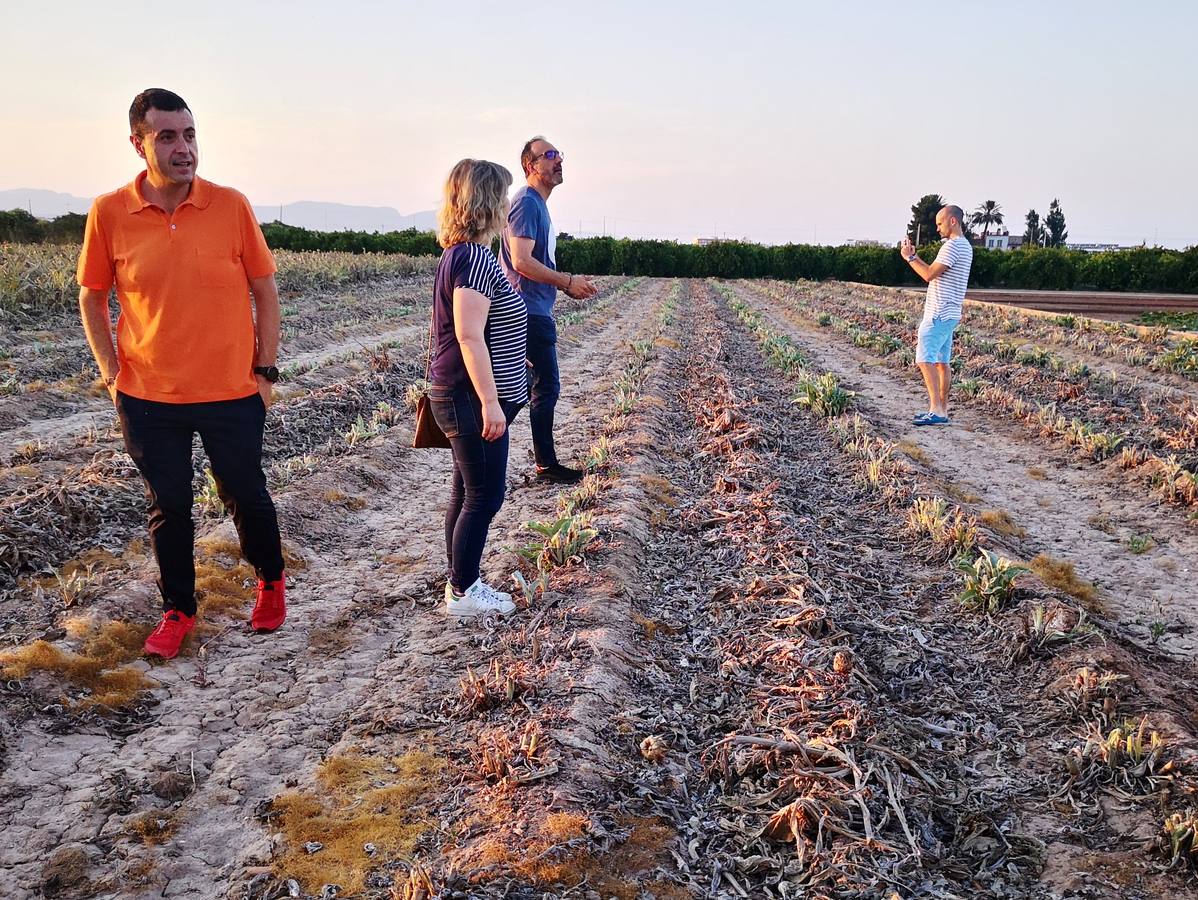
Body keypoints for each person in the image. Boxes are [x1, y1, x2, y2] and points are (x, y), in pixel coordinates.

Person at [77, 89, 287, 659]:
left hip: (231, 390)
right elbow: (92, 299)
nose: (183, 148)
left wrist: (265, 370)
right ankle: (177, 611)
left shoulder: (231, 205)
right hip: (148, 396)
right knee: (168, 506)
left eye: (189, 134)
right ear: (138, 143)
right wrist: (112, 374)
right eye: (167, 136)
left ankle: (270, 579)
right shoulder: (109, 213)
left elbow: (264, 291)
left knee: (245, 493)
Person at [429, 159, 529, 617]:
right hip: (470, 397)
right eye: (504, 195)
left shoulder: (464, 254)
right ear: (486, 200)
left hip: (463, 395)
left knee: (465, 492)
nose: (510, 203)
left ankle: (461, 583)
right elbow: (469, 335)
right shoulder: (470, 256)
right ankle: (464, 591)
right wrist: (491, 401)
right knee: (485, 496)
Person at [500, 136, 597, 484]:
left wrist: (565, 284)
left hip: (533, 309)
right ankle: (519, 455)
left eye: (559, 155)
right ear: (531, 166)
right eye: (549, 156)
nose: (559, 161)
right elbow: (521, 261)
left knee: (532, 386)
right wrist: (566, 281)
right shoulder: (526, 203)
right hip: (525, 311)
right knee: (538, 386)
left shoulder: (538, 204)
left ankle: (540, 460)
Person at [900, 204, 973, 426]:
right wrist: (915, 257)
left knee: (925, 359)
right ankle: (942, 409)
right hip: (950, 313)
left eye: (940, 223)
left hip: (938, 313)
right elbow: (934, 270)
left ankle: (937, 410)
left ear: (953, 221)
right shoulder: (966, 246)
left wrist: (909, 259)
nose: (938, 228)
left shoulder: (952, 246)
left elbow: (929, 274)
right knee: (942, 362)